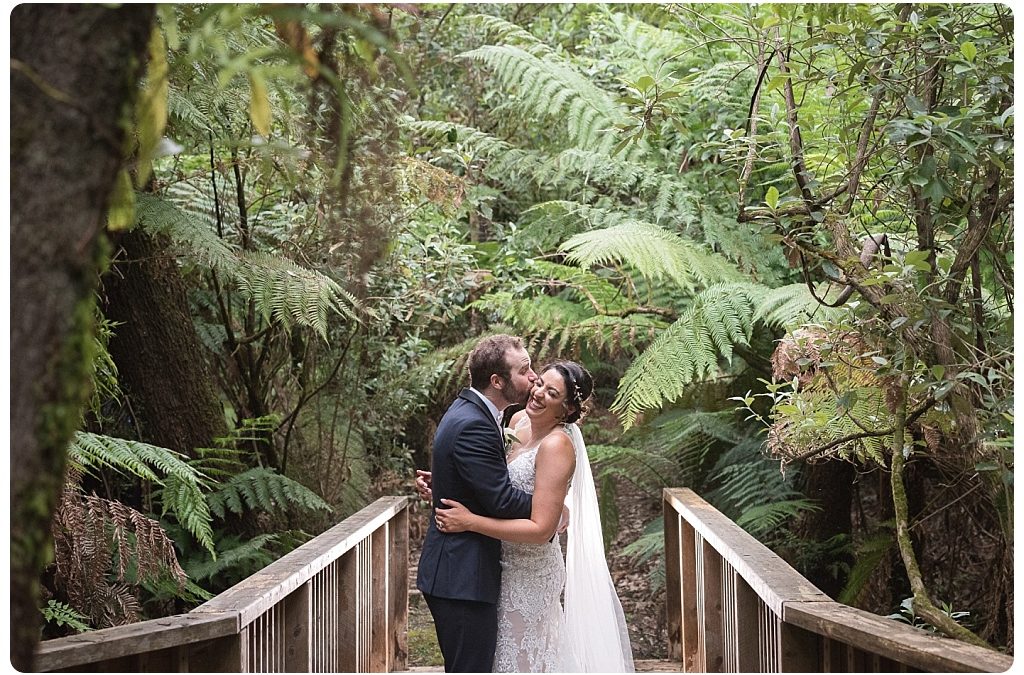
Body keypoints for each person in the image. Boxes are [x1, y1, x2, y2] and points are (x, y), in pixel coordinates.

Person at [433, 361, 635, 673]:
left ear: (566, 409)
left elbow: (542, 529)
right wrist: (443, 482)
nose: (538, 392)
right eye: (539, 382)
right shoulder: (516, 421)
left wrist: (470, 521)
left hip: (531, 573)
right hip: (498, 564)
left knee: (521, 662)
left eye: (551, 393)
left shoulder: (557, 445)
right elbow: (491, 483)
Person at [415, 334, 539, 673]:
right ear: (497, 381)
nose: (533, 377)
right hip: (462, 577)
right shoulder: (474, 424)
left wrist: (442, 482)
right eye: (524, 370)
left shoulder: (470, 411)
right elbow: (501, 500)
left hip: (460, 572)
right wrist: (552, 507)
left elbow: (472, 479)